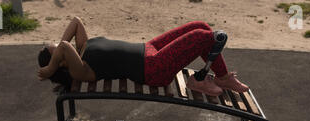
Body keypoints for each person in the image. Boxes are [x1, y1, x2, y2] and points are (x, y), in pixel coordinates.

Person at [37, 17, 249, 96]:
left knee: (200, 26)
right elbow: (64, 45)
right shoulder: (80, 70)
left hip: (149, 49)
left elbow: (75, 21)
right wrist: (49, 69)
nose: (57, 43)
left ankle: (221, 77)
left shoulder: (81, 48)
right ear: (58, 61)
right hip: (153, 68)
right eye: (52, 48)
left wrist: (54, 58)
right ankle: (198, 82)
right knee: (203, 37)